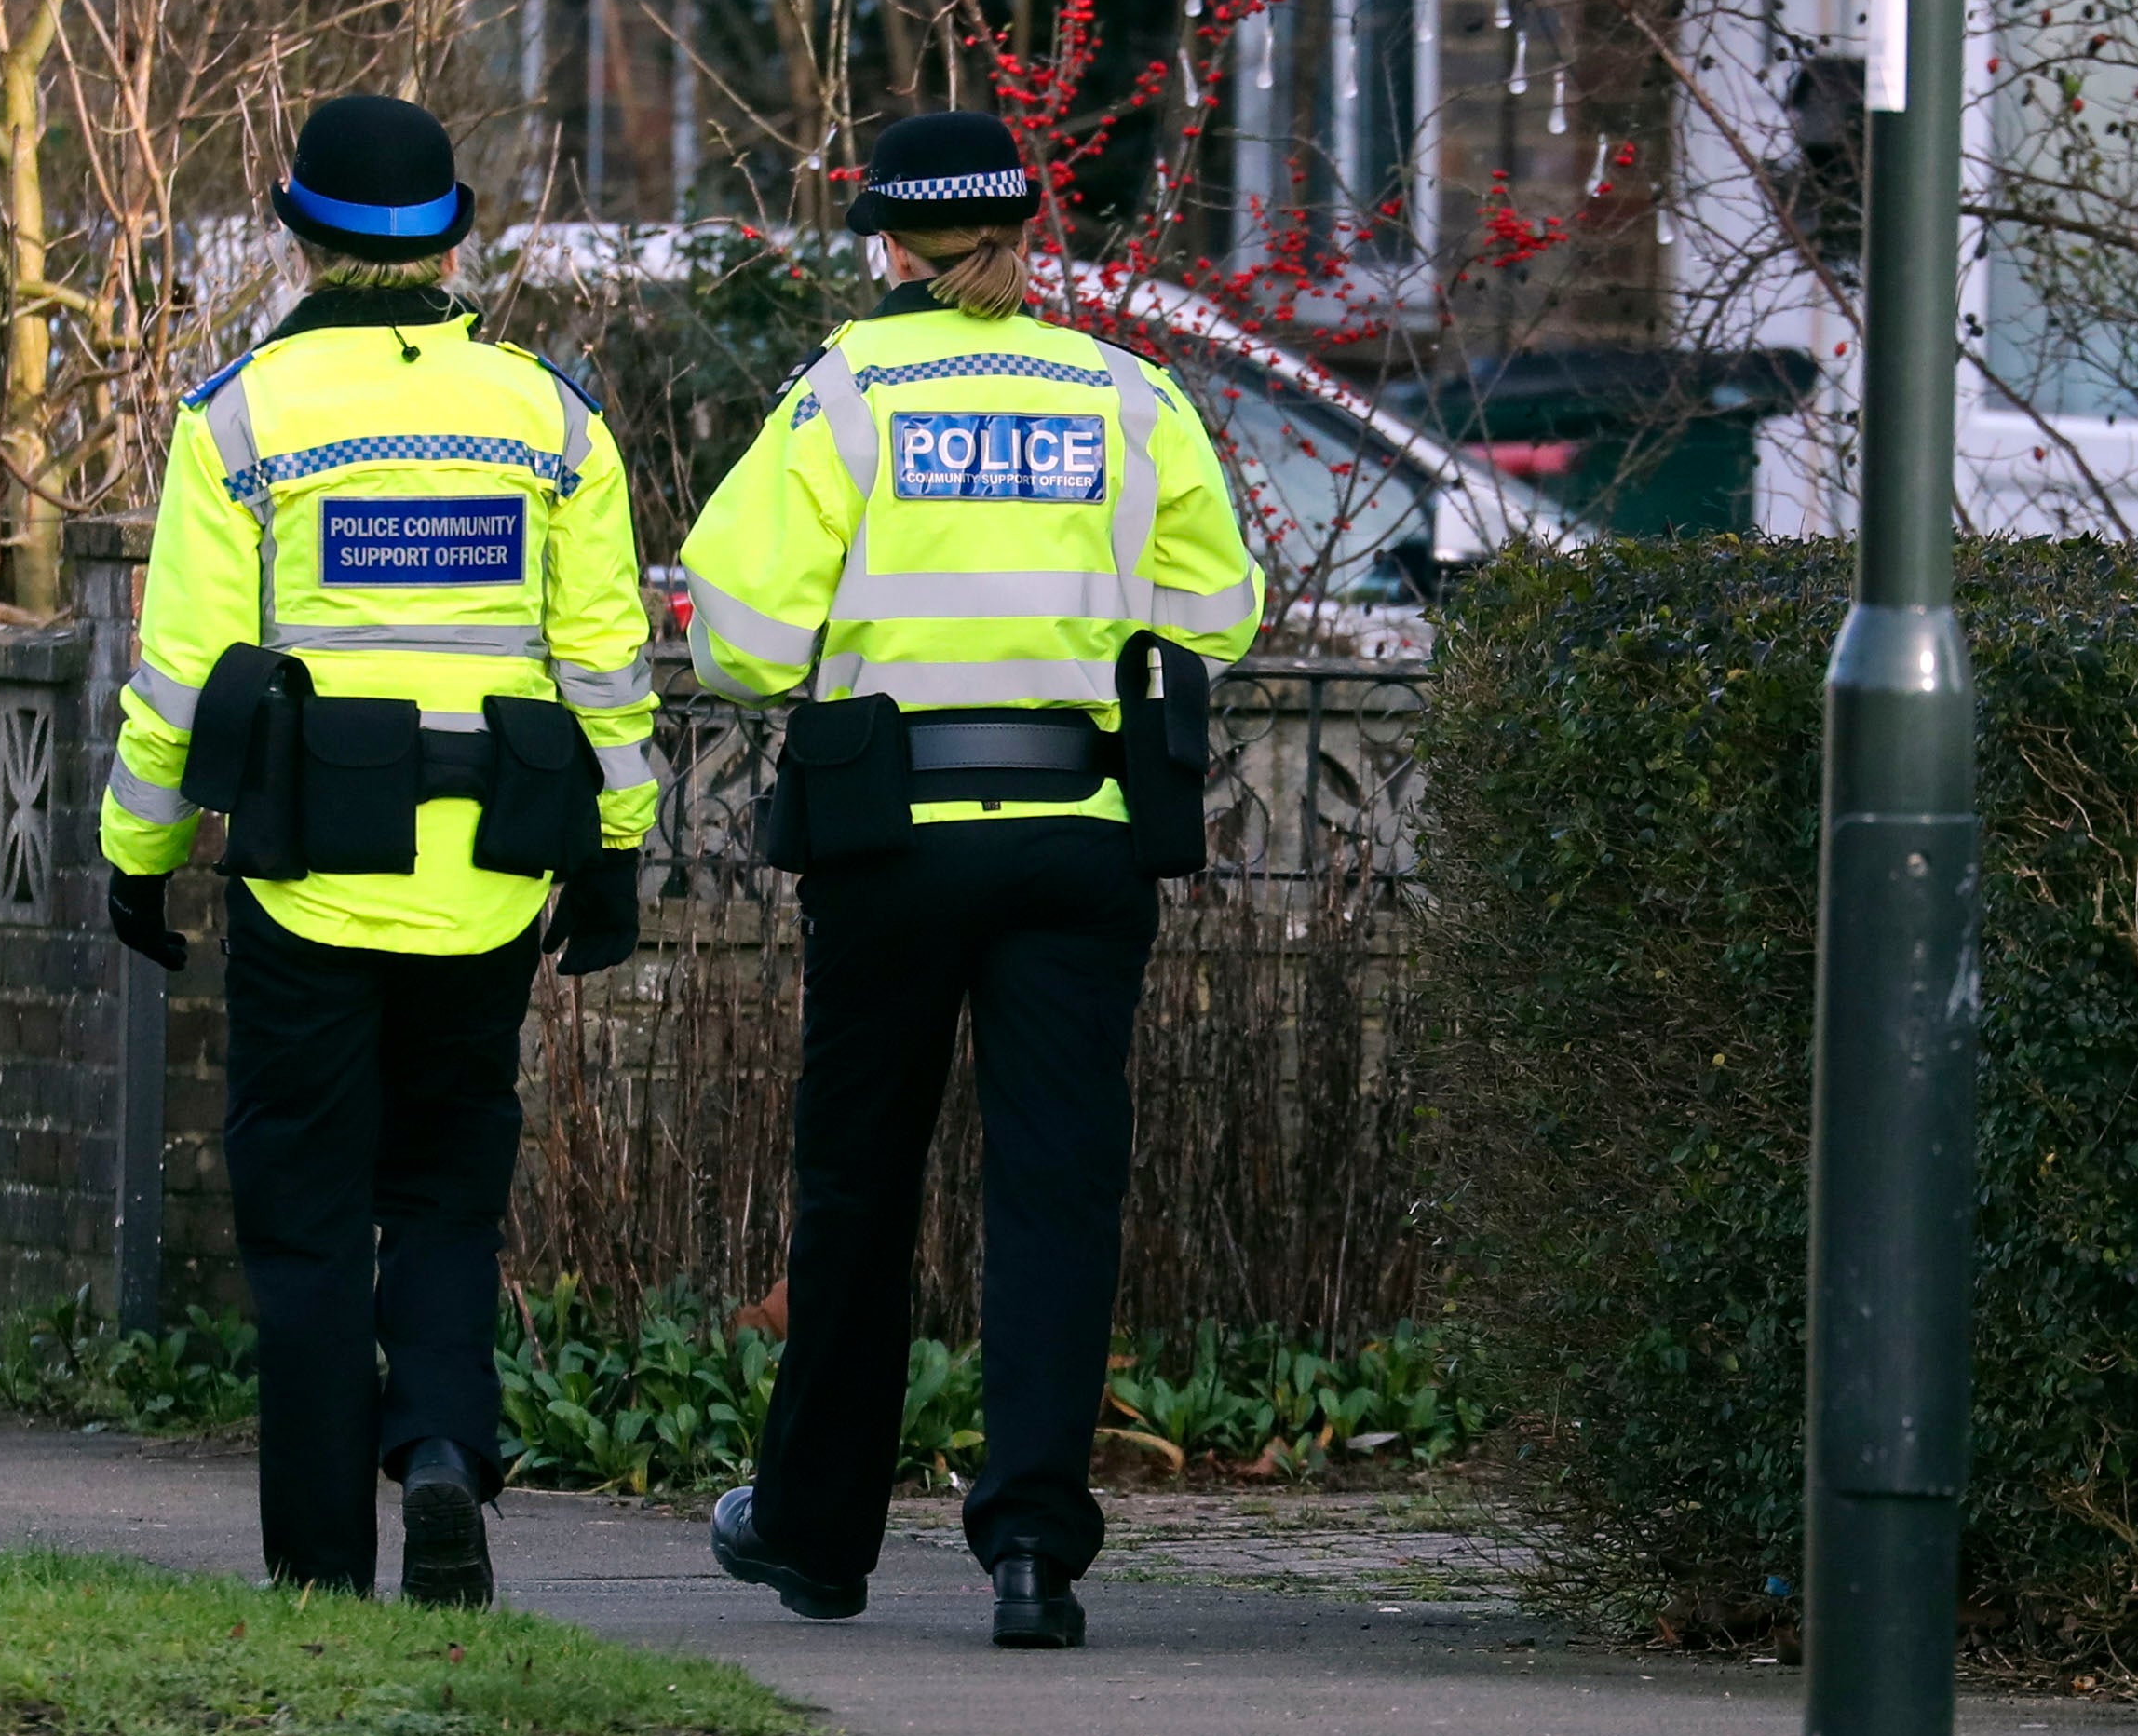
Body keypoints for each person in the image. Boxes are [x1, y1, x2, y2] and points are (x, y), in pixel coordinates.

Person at [679, 111, 1266, 1648]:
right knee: (1055, 1190)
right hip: (1081, 835)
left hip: (894, 842)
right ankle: (1030, 1552)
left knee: (859, 1185)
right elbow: (1218, 611)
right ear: (1026, 234)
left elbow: (735, 631)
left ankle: (816, 1536)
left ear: (889, 245)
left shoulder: (851, 390)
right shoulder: (1127, 395)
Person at [100, 92, 656, 1606]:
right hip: (488, 881)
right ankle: (440, 1455)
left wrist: (137, 856)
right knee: (447, 1199)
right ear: (448, 241)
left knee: (303, 1221)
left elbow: (185, 677)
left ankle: (319, 1570)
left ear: (299, 234)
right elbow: (603, 656)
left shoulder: (240, 421)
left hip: (309, 873)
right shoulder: (552, 415)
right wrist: (614, 849)